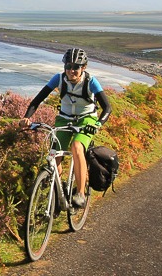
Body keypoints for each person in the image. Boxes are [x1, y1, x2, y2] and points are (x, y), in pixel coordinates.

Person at [19, 48, 112, 208]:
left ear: (83, 67)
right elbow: (37, 100)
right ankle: (58, 192)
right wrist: (27, 117)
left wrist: (97, 125)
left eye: (76, 67)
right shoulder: (58, 79)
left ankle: (80, 194)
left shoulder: (91, 81)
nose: (71, 71)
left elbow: (107, 108)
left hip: (86, 120)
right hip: (64, 119)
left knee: (77, 147)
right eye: (68, 66)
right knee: (54, 157)